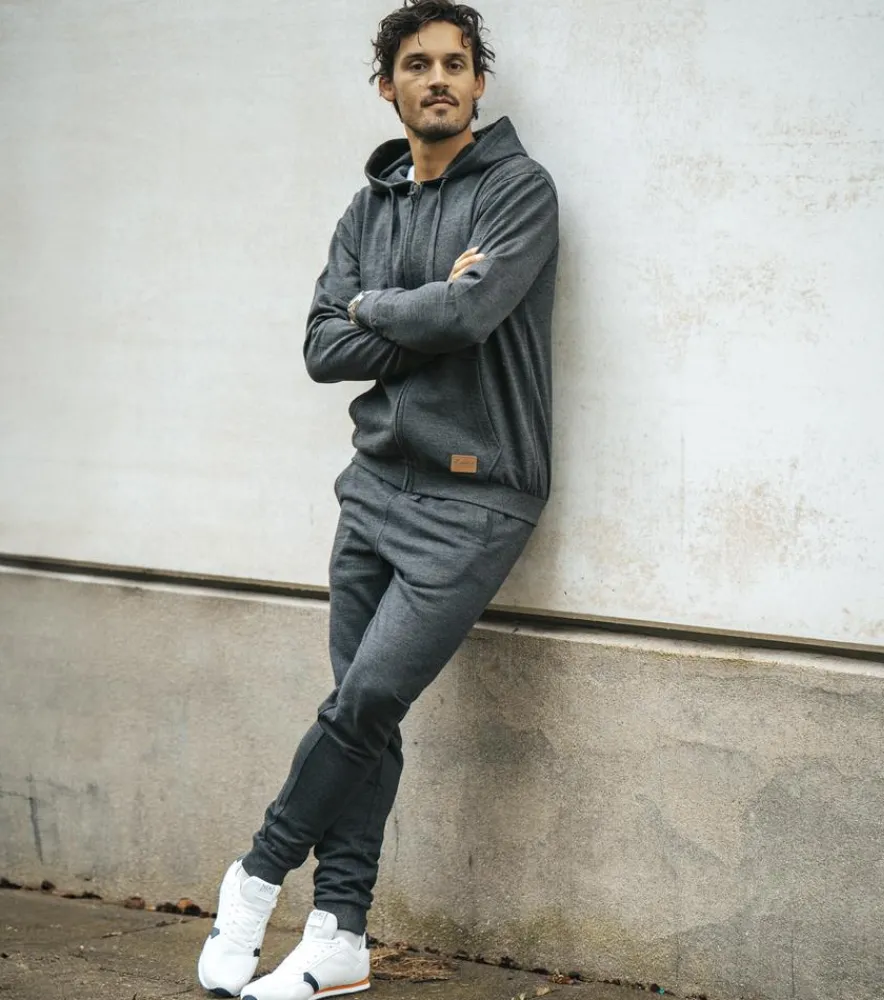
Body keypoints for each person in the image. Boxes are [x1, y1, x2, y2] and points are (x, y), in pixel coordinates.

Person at [197, 1, 558, 996]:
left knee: (361, 701)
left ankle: (254, 877)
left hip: (476, 498)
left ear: (477, 82)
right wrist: (413, 312)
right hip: (372, 490)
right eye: (417, 64)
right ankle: (340, 934)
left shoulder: (518, 191)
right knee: (368, 718)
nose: (438, 78)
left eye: (455, 63)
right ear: (387, 86)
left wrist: (374, 307)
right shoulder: (370, 207)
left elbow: (472, 312)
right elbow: (324, 348)